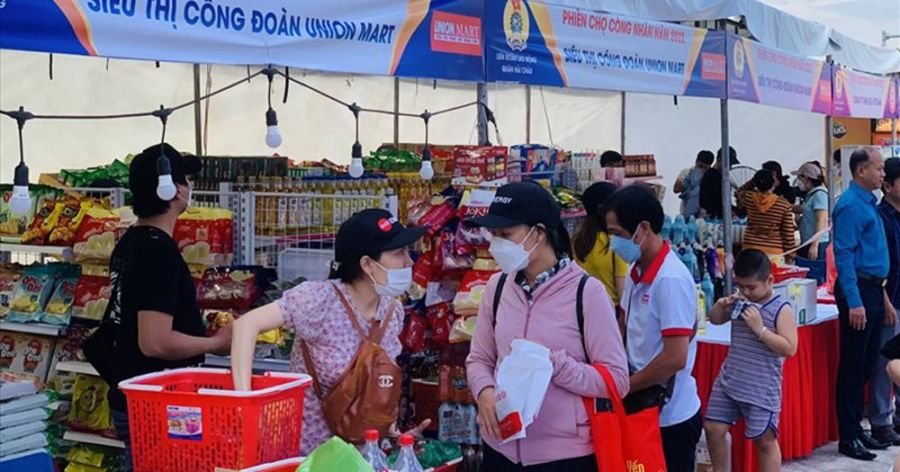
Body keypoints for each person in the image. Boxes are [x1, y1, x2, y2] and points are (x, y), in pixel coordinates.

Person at [230, 208, 429, 455]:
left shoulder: (392, 311)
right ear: (367, 264)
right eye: (399, 253)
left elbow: (371, 387)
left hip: (358, 459)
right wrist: (244, 402)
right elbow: (246, 325)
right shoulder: (319, 300)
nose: (409, 262)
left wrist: (393, 434)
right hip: (306, 454)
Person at [85, 144, 232, 470]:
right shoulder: (159, 253)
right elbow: (154, 341)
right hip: (158, 403)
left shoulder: (132, 241)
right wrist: (215, 344)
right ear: (175, 190)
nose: (188, 188)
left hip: (136, 395)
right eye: (186, 180)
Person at [466, 181, 629, 471]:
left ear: (538, 233)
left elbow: (616, 380)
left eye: (505, 235)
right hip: (499, 449)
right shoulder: (498, 287)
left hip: (564, 457)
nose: (496, 245)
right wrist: (485, 392)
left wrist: (556, 364)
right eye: (493, 235)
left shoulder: (586, 293)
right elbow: (479, 358)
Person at [605, 185, 702, 472]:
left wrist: (624, 386)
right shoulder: (637, 272)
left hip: (669, 418)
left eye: (618, 235)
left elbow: (675, 357)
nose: (613, 244)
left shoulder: (669, 279)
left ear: (643, 228)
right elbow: (624, 325)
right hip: (641, 408)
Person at [704, 250, 799, 472]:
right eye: (741, 286)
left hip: (761, 388)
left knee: (764, 441)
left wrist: (761, 330)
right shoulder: (741, 301)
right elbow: (715, 320)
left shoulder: (781, 309)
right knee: (713, 428)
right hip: (730, 381)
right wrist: (722, 305)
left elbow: (790, 348)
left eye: (751, 287)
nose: (746, 292)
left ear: (769, 281)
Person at [833, 147, 892, 461]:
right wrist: (854, 302)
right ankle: (848, 435)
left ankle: (858, 429)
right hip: (858, 291)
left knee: (867, 364)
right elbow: (844, 255)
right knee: (853, 367)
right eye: (879, 169)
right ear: (861, 171)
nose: (883, 174)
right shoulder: (850, 206)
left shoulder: (869, 203)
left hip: (873, 289)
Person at [867, 158, 900, 446]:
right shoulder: (881, 217)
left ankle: (897, 413)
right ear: (888, 186)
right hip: (891, 298)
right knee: (885, 361)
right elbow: (881, 264)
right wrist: (886, 300)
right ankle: (880, 420)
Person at [572, 182, 628, 309]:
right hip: (609, 310)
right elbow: (622, 291)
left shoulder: (576, 241)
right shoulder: (615, 242)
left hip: (581, 309)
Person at [736, 170, 797, 258]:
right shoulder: (783, 205)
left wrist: (754, 181)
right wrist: (791, 254)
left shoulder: (749, 198)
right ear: (773, 184)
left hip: (750, 247)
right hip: (774, 251)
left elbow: (739, 191)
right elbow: (788, 233)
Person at [792, 162, 829, 260]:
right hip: (807, 242)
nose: (798, 181)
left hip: (818, 244)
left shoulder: (820, 195)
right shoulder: (810, 196)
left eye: (800, 177)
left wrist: (814, 245)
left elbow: (822, 220)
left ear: (808, 178)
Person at [699, 146, 739, 220]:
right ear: (719, 159)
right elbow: (704, 201)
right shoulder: (710, 176)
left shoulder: (725, 178)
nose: (730, 167)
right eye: (728, 164)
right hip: (713, 219)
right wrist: (725, 211)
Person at [674, 150, 715, 218]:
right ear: (696, 161)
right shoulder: (686, 172)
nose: (702, 170)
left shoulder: (711, 176)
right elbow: (676, 189)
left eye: (705, 168)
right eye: (700, 166)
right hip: (687, 211)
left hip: (705, 213)